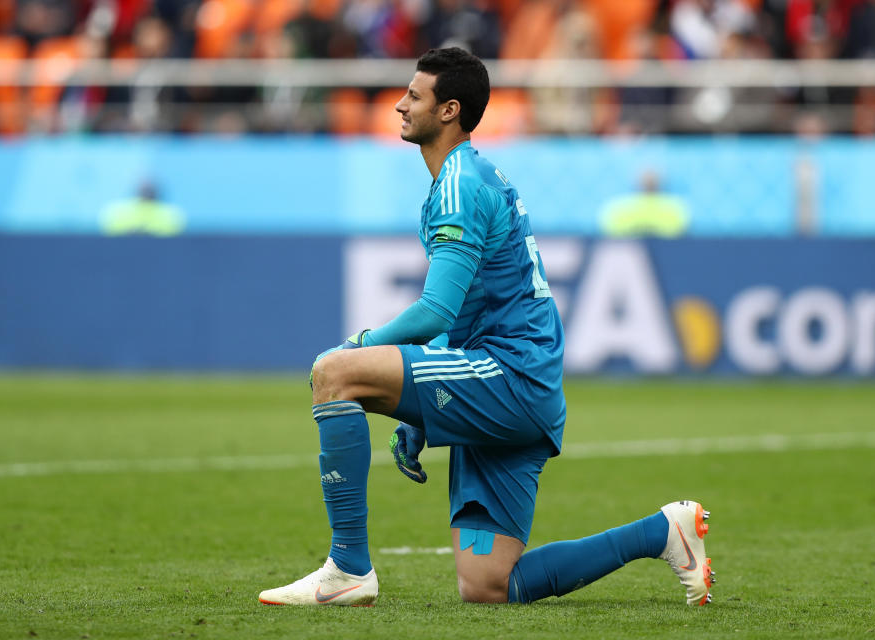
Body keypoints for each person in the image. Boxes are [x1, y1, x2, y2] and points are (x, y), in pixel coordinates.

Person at [258, 47, 714, 608]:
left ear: (449, 110)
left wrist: (360, 346)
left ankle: (348, 568)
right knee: (490, 585)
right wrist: (421, 410)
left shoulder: (459, 185)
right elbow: (470, 308)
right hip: (519, 385)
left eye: (414, 96)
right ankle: (664, 532)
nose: (400, 105)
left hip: (508, 376)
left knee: (335, 372)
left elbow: (434, 314)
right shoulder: (473, 175)